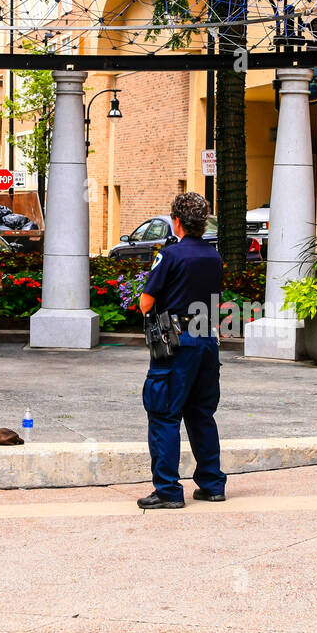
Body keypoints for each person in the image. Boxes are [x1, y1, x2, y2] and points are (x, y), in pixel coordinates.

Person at [136, 192, 227, 510]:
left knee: (163, 413)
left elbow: (147, 302)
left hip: (174, 339)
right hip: (206, 339)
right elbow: (216, 302)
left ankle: (167, 490)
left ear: (177, 221)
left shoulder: (170, 255)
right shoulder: (213, 256)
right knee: (202, 414)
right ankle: (212, 484)